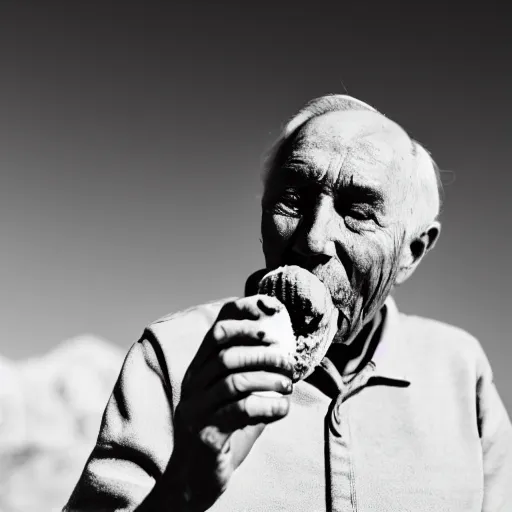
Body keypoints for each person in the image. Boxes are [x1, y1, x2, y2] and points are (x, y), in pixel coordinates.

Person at [64, 95, 512, 512]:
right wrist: (183, 488)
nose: (312, 239)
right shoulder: (175, 355)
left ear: (411, 252)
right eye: (292, 199)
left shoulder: (459, 371)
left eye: (357, 212)